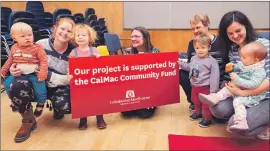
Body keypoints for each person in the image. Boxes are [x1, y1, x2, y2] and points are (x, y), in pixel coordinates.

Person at [6, 18, 75, 143]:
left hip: (58, 86)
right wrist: (13, 68)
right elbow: (19, 58)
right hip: (36, 82)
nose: (65, 33)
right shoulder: (40, 44)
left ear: (73, 34)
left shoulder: (74, 52)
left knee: (66, 106)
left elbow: (72, 78)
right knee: (15, 85)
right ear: (55, 29)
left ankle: (56, 106)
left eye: (69, 31)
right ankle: (28, 120)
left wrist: (50, 76)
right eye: (62, 29)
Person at [210, 10, 269, 140]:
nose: (235, 36)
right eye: (230, 33)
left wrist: (243, 93)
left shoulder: (263, 46)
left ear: (246, 27)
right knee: (218, 109)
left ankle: (265, 125)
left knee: (235, 126)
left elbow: (268, 81)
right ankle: (248, 114)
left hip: (265, 97)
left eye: (238, 30)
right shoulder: (233, 49)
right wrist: (231, 84)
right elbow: (238, 74)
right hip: (242, 91)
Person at [199, 42, 267, 131]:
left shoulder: (259, 71)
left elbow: (253, 84)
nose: (241, 59)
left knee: (238, 101)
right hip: (241, 88)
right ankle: (215, 98)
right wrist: (232, 66)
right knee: (226, 89)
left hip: (253, 96)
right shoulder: (247, 63)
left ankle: (241, 122)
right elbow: (239, 66)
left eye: (244, 57)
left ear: (255, 60)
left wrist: (238, 79)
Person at [179, 13, 226, 112]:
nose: (195, 31)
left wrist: (219, 88)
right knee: (181, 74)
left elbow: (227, 65)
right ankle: (194, 102)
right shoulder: (192, 44)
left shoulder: (221, 42)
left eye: (198, 27)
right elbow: (191, 66)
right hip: (199, 82)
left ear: (207, 24)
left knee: (218, 115)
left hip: (217, 84)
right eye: (193, 28)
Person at [2, 22, 48, 118]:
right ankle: (15, 100)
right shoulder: (14, 48)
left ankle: (41, 103)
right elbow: (10, 59)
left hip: (34, 74)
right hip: (19, 74)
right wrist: (4, 69)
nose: (28, 38)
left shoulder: (37, 48)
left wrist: (43, 73)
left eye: (30, 35)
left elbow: (44, 60)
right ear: (14, 38)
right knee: (7, 83)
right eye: (23, 36)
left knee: (40, 88)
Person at [68, 24, 107, 130]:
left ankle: (100, 118)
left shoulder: (94, 50)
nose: (80, 37)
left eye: (83, 35)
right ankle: (83, 120)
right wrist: (69, 75)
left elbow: (102, 65)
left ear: (89, 38)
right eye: (78, 35)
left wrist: (99, 58)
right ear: (74, 38)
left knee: (97, 100)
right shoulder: (73, 52)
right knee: (82, 101)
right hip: (80, 83)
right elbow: (70, 67)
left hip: (93, 82)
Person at [179, 34, 220, 128]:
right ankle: (198, 113)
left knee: (206, 105)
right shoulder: (194, 58)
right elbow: (189, 67)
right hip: (194, 86)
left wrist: (213, 91)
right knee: (195, 101)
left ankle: (207, 119)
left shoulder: (212, 61)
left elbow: (215, 77)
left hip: (205, 88)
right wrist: (180, 64)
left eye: (203, 47)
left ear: (209, 47)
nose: (200, 50)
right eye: (197, 48)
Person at [121, 26, 160, 118]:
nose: (133, 39)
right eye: (132, 36)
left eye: (137, 36)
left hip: (149, 89)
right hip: (133, 88)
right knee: (126, 113)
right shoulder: (127, 52)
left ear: (145, 38)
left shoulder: (154, 51)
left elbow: (157, 75)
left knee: (145, 114)